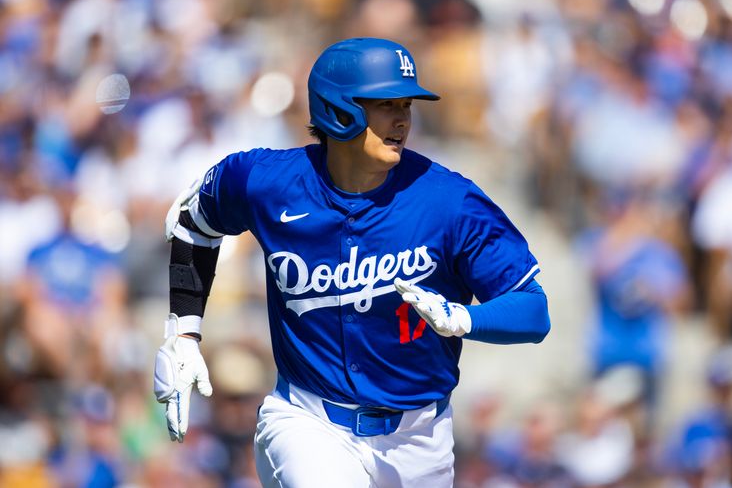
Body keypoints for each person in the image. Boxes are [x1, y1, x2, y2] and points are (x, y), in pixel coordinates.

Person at [152, 37, 551, 487]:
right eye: (385, 104)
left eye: (406, 105)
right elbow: (192, 221)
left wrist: (465, 318)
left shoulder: (449, 202)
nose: (401, 118)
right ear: (337, 110)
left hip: (421, 439)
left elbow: (534, 311)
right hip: (307, 422)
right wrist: (182, 332)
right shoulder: (265, 181)